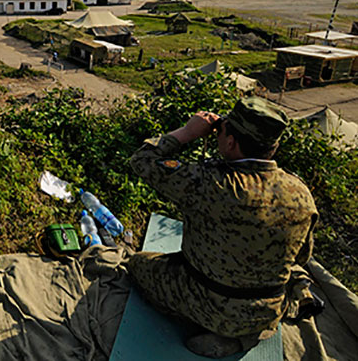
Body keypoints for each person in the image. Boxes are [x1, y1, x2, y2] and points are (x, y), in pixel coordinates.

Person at [128, 97, 319, 358]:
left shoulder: (210, 184)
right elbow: (301, 257)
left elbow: (142, 159)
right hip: (268, 310)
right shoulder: (301, 193)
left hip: (211, 305)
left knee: (139, 264)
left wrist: (187, 132)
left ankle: (215, 328)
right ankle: (246, 337)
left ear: (230, 142)